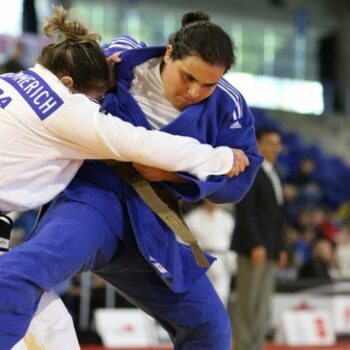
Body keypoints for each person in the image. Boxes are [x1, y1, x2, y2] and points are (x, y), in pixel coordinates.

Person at [0, 10, 263, 349]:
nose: (196, 91)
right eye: (187, 77)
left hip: (153, 225)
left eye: (209, 84)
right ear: (169, 53)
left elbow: (239, 182)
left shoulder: (231, 106)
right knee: (21, 272)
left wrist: (173, 177)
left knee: (210, 327)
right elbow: (78, 87)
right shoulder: (122, 58)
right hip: (92, 202)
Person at [0, 5, 246, 214]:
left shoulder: (11, 79)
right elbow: (146, 145)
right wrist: (222, 158)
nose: (97, 107)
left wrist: (101, 75)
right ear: (68, 83)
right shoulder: (69, 111)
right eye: (96, 99)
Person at [232, 128, 287, 350]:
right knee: (248, 303)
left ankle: (256, 345)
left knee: (263, 304)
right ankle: (244, 346)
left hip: (271, 249)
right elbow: (246, 212)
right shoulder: (251, 171)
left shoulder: (275, 174)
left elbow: (278, 217)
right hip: (252, 248)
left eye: (278, 144)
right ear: (258, 144)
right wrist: (256, 244)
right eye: (271, 143)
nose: (275, 149)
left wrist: (281, 247)